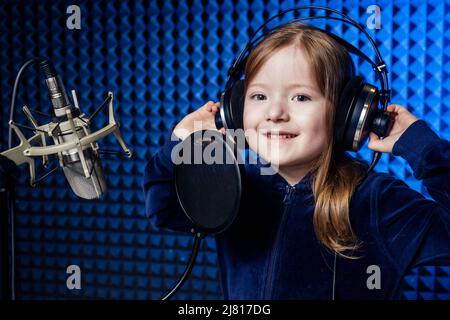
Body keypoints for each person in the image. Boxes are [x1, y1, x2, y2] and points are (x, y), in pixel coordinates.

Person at [143, 23, 450, 299]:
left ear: (347, 112)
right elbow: (163, 208)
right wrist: (182, 143)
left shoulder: (377, 202)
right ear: (234, 109)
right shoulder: (233, 186)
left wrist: (423, 148)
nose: (275, 113)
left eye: (300, 98)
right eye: (259, 97)